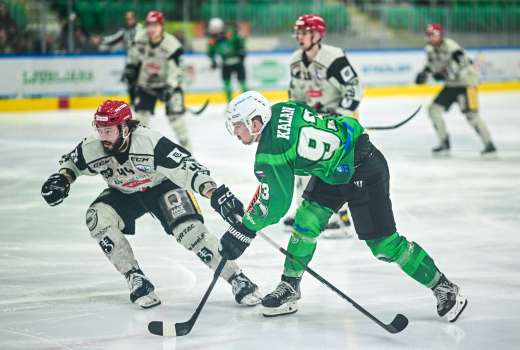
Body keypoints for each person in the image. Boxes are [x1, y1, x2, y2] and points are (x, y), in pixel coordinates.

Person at [216, 91, 467, 323]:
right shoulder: (282, 108)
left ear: (255, 122)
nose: (235, 134)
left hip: (363, 169)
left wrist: (243, 230)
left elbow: (276, 206)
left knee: (384, 245)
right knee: (305, 222)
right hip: (335, 167)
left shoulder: (269, 155)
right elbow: (308, 118)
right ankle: (290, 286)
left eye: (237, 127)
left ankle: (443, 287)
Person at [41, 100, 261, 309]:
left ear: (125, 128)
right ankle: (135, 277)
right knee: (97, 217)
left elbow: (187, 165)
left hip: (161, 188)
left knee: (191, 232)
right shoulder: (93, 146)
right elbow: (72, 162)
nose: (102, 136)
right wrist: (63, 178)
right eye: (99, 129)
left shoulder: (150, 142)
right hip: (124, 193)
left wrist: (214, 193)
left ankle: (237, 278)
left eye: (108, 130)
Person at [285, 14, 362, 238]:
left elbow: (353, 87)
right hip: (313, 123)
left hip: (338, 123)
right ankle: (304, 213)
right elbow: (296, 96)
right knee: (302, 168)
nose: (299, 37)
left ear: (317, 35)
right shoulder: (295, 61)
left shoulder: (333, 57)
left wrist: (341, 115)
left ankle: (341, 218)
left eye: (304, 32)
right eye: (298, 33)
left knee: (333, 170)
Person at [415, 23, 496, 156]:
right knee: (433, 110)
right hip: (451, 85)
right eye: (428, 35)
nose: (429, 38)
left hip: (468, 84)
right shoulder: (430, 49)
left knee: (472, 116)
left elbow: (462, 64)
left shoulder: (452, 46)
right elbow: (431, 66)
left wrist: (443, 74)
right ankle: (444, 143)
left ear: (440, 35)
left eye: (432, 35)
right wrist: (423, 74)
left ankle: (489, 144)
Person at [123, 11, 191, 149]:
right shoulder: (139, 39)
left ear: (162, 26)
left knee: (176, 120)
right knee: (140, 121)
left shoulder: (172, 45)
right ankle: (139, 153)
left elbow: (179, 70)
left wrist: (171, 87)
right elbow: (133, 60)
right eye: (149, 25)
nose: (152, 29)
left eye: (155, 25)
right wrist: (131, 72)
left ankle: (188, 153)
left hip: (168, 84)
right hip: (146, 84)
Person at [101, 11, 143, 105]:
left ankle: (141, 100)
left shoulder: (140, 29)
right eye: (126, 19)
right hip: (131, 60)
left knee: (142, 81)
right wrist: (101, 40)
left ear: (134, 18)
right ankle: (133, 101)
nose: (128, 21)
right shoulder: (124, 31)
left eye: (130, 18)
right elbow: (113, 39)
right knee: (130, 79)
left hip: (142, 60)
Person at [207, 17, 247, 102]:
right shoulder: (212, 39)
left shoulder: (230, 33)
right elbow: (211, 52)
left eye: (215, 29)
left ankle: (248, 102)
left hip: (238, 63)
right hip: (226, 64)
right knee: (227, 86)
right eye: (213, 29)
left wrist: (242, 50)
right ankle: (230, 104)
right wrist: (213, 61)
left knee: (242, 84)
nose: (214, 31)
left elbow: (240, 40)